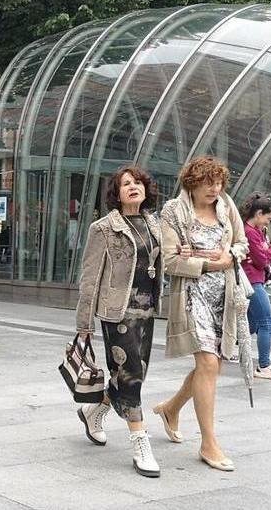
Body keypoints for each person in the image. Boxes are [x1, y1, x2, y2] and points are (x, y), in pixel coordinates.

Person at [154, 156, 247, 472]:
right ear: (191, 184)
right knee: (207, 363)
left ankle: (171, 408)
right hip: (192, 297)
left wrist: (230, 254)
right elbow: (170, 261)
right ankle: (209, 443)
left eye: (218, 183)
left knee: (212, 366)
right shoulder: (174, 211)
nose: (215, 189)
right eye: (208, 183)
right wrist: (207, 263)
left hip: (224, 296)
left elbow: (241, 243)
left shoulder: (226, 206)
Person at [74, 167, 163, 478]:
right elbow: (89, 278)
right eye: (126, 184)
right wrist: (84, 325)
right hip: (118, 313)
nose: (133, 187)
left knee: (133, 375)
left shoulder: (155, 224)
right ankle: (140, 442)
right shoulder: (103, 228)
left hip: (147, 311)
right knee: (131, 376)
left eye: (138, 182)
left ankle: (94, 410)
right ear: (117, 193)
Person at [240, 193, 271, 381]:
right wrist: (266, 251)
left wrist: (266, 251)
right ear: (259, 213)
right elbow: (262, 259)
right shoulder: (250, 232)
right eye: (268, 218)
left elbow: (267, 255)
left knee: (251, 323)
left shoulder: (256, 231)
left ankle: (220, 346)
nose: (269, 222)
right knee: (267, 322)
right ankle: (264, 366)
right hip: (252, 281)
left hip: (254, 279)